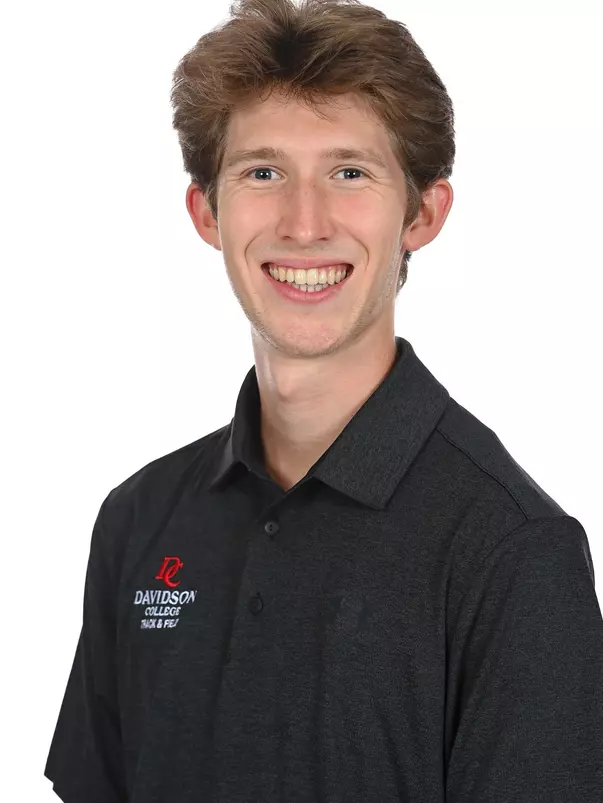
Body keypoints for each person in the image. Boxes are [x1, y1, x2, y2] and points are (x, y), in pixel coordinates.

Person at [44, 0, 603, 801]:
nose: (303, 224)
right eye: (263, 172)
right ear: (207, 211)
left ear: (422, 213)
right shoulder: (138, 519)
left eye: (349, 172)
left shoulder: (512, 551)